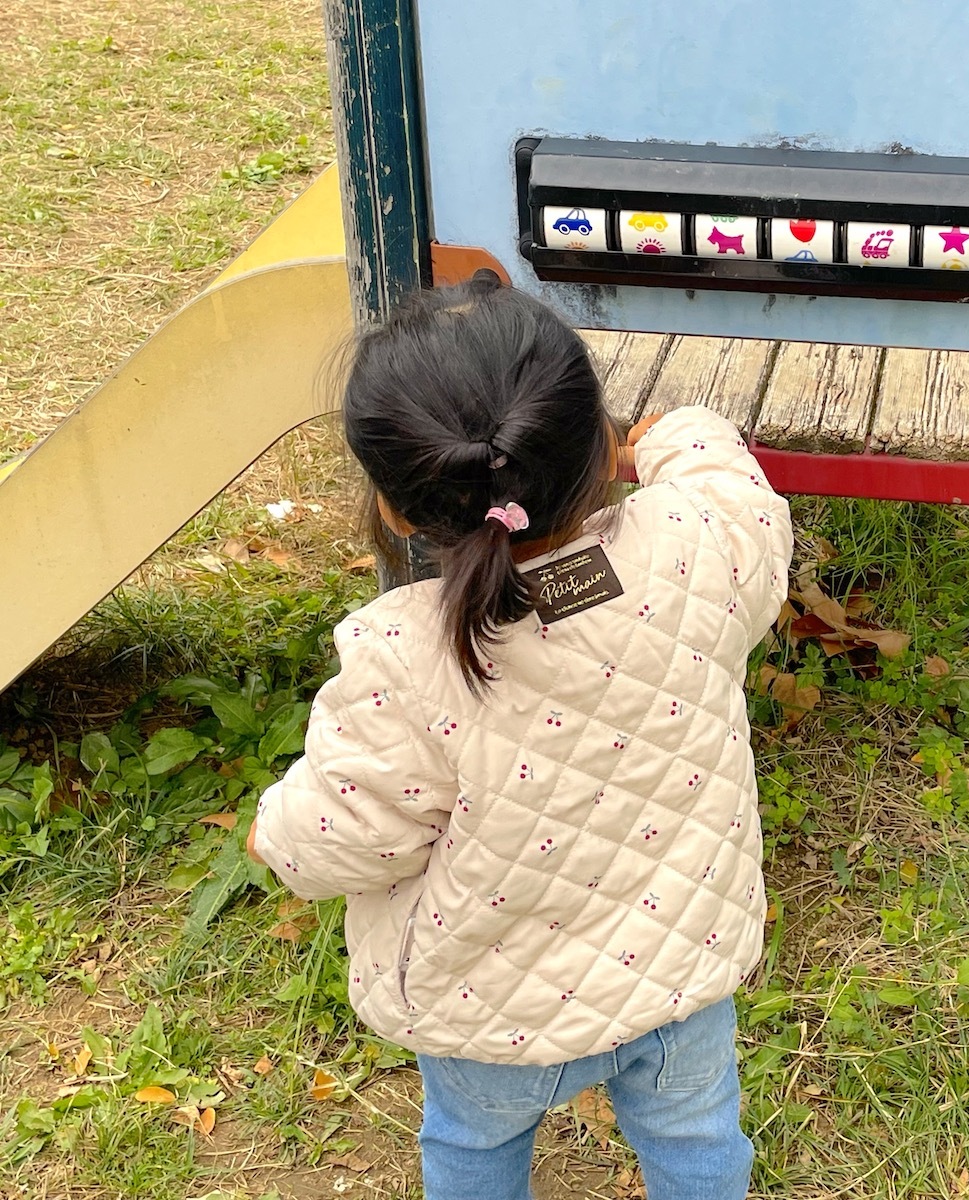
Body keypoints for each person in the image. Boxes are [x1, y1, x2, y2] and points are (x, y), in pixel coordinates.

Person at [246, 275, 793, 1200]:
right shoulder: (697, 546)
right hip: (677, 974)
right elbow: (741, 499)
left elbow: (351, 826)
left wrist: (275, 834)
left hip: (489, 1007)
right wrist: (682, 432)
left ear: (397, 505)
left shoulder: (403, 655)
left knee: (470, 1150)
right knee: (701, 1141)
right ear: (595, 448)